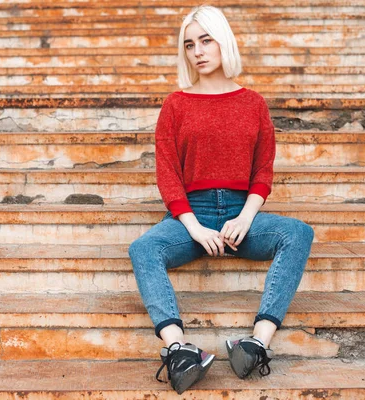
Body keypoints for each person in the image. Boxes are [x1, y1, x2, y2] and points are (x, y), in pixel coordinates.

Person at [127, 5, 315, 394]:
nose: (198, 50)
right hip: (190, 218)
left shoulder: (254, 103)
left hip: (240, 218)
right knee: (143, 248)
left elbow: (263, 171)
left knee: (298, 233)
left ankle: (256, 343)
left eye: (206, 39)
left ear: (223, 40)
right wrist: (192, 227)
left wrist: (246, 217)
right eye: (190, 43)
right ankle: (178, 350)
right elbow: (168, 175)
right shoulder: (176, 104)